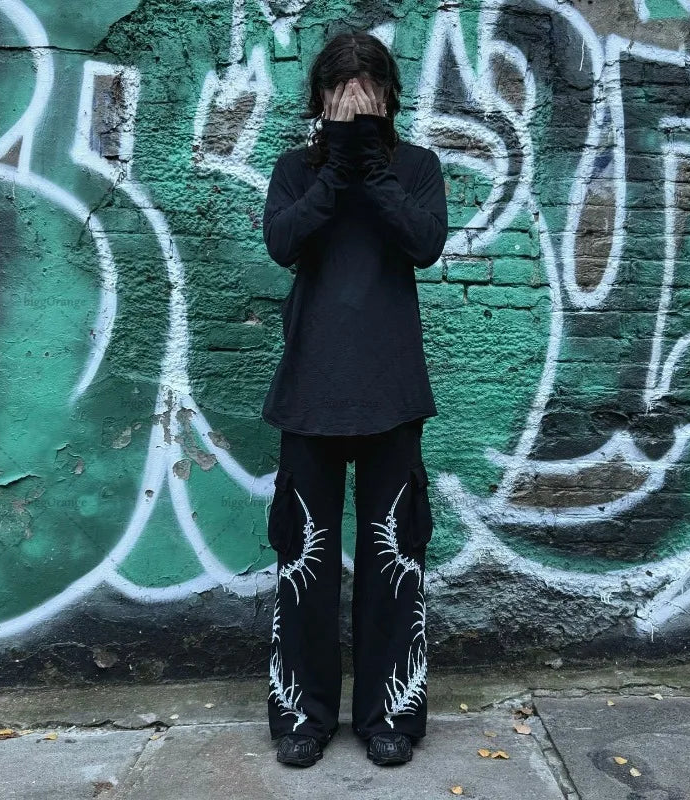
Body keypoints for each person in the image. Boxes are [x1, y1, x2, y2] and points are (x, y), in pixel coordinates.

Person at [261, 31, 448, 768]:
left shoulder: (417, 168)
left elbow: (424, 243)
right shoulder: (295, 170)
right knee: (303, 562)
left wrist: (371, 164)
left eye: (367, 95)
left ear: (389, 98)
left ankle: (388, 714)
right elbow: (283, 242)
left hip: (391, 393)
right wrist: (336, 166)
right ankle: (302, 716)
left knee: (393, 562)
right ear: (319, 100)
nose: (354, 107)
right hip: (311, 392)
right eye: (342, 96)